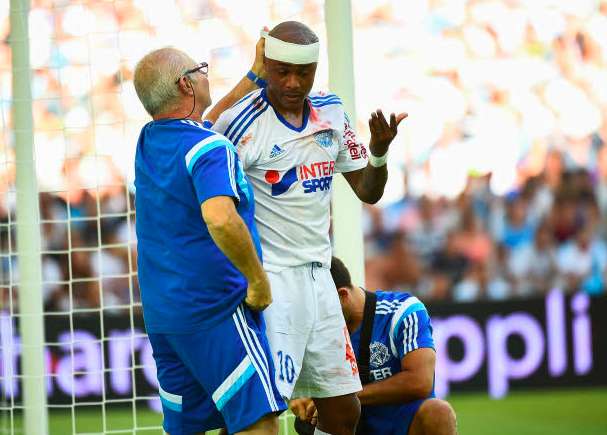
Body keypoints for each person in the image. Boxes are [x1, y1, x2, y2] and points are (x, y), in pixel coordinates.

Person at [209, 21, 407, 435]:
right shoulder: (243, 122)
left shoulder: (332, 112)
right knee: (262, 413)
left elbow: (368, 192)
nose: (294, 82)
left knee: (343, 412)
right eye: (282, 72)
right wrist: (249, 76)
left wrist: (379, 153)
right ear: (268, 65)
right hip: (271, 284)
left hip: (320, 282)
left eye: (304, 72)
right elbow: (200, 145)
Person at [133, 40, 286, 435]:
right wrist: (258, 281)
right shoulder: (209, 147)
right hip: (216, 310)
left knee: (191, 429)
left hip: (166, 317)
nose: (205, 73)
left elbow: (206, 122)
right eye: (199, 69)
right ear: (185, 84)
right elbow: (219, 218)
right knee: (260, 424)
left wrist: (255, 76)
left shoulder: (149, 142)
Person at [291, 257, 457, 435]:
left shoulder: (401, 312)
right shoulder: (311, 331)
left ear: (343, 296)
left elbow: (420, 382)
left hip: (403, 424)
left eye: (319, 309)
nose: (315, 317)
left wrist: (344, 398)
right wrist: (302, 397)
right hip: (349, 427)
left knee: (438, 413)